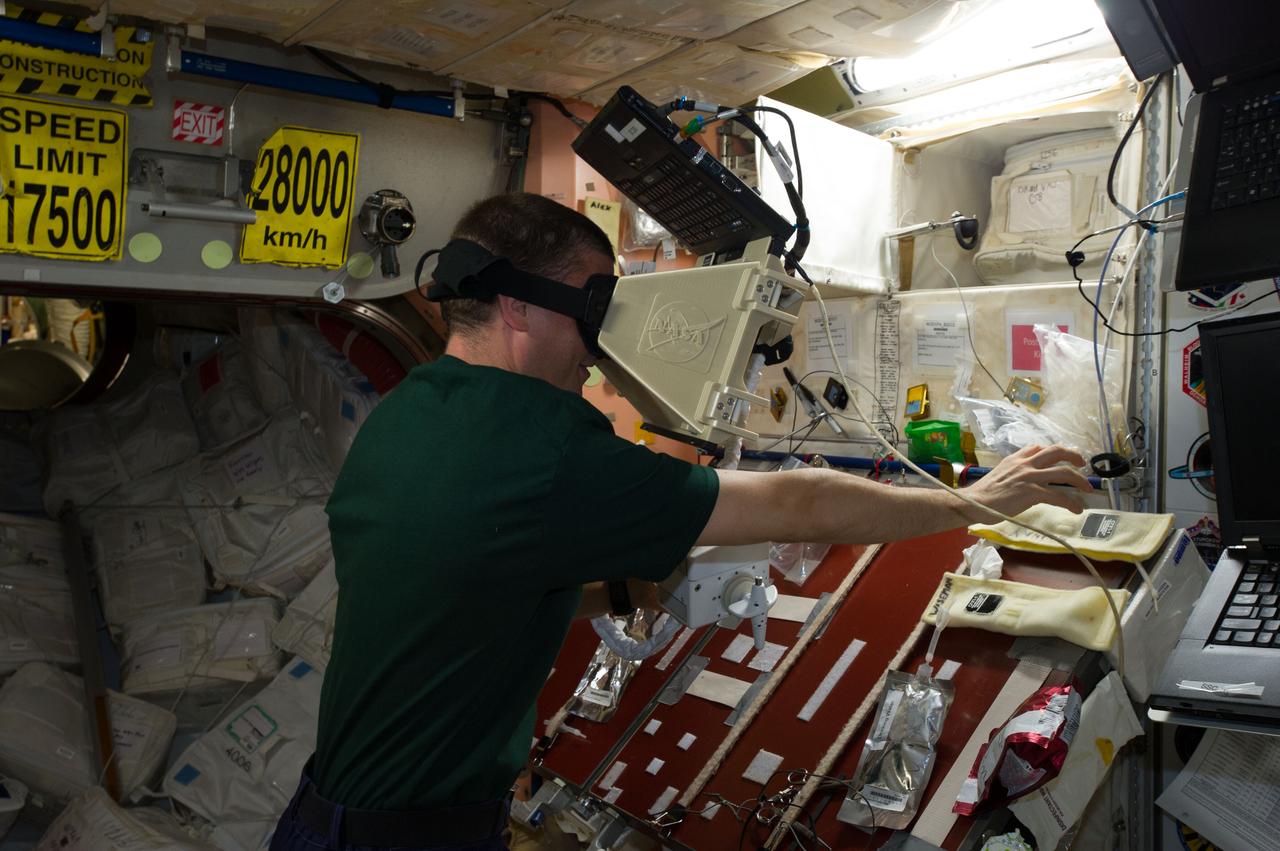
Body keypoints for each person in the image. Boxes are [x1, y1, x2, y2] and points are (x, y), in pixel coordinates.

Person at [269, 192, 1092, 851]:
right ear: (519, 304)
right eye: (596, 307)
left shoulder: (408, 414)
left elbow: (472, 582)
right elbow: (796, 500)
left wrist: (620, 589)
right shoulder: (540, 443)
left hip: (320, 817)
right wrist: (975, 502)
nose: (598, 345)